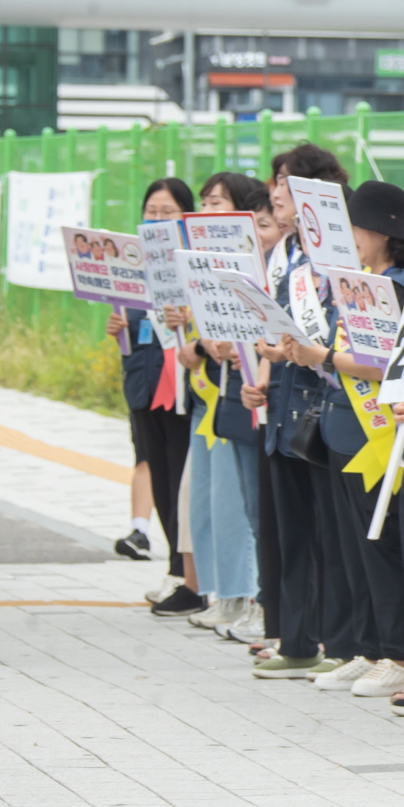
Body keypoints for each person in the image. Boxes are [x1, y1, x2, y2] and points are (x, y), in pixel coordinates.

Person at [279, 181, 404, 700]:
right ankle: (367, 648)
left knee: (380, 544)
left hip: (378, 432)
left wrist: (321, 357)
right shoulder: (359, 280)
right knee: (351, 546)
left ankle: (396, 653)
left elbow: (388, 364)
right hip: (343, 426)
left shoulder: (398, 286)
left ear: (384, 230)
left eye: (357, 226)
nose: (350, 236)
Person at [242, 144, 349, 682]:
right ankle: (296, 637)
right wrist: (267, 362)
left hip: (318, 409)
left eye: (284, 180)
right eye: (275, 180)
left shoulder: (334, 257)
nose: (275, 192)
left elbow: (331, 336)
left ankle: (327, 639)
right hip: (285, 407)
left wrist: (292, 351)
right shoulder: (293, 256)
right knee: (288, 530)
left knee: (321, 532)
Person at [182, 171, 266, 639]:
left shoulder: (256, 263)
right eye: (205, 202)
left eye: (219, 202)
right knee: (208, 502)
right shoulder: (203, 264)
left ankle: (243, 595)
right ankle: (224, 593)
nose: (208, 211)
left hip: (242, 395)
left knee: (237, 504)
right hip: (210, 395)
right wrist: (199, 341)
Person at [111, 178, 200, 615]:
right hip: (145, 386)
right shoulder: (133, 265)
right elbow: (133, 330)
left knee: (182, 480)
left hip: (183, 387)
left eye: (168, 212)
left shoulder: (194, 263)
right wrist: (119, 333)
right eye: (152, 211)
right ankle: (174, 567)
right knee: (159, 475)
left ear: (186, 216)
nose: (158, 219)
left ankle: (189, 572)